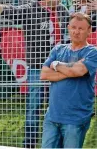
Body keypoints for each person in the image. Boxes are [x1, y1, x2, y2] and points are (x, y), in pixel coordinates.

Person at [0, 0, 70, 148]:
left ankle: (58, 142)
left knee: (60, 105)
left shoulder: (62, 10)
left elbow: (76, 25)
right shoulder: (30, 10)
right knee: (34, 107)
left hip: (60, 67)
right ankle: (30, 143)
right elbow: (7, 9)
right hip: (38, 67)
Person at [40, 12, 97, 148]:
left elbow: (78, 71)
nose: (76, 32)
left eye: (81, 28)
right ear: (68, 28)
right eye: (73, 27)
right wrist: (71, 71)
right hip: (52, 116)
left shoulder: (92, 52)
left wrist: (56, 65)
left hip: (75, 119)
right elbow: (44, 74)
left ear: (89, 31)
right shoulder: (58, 49)